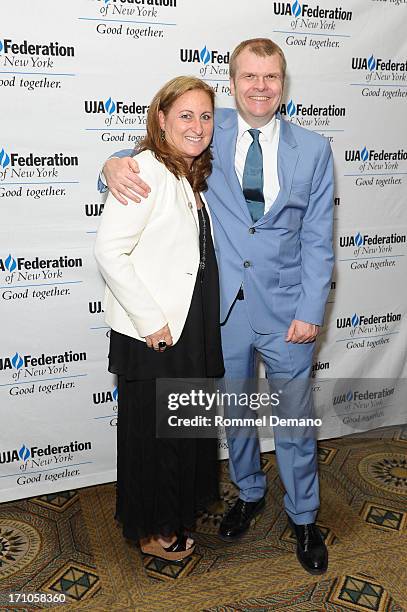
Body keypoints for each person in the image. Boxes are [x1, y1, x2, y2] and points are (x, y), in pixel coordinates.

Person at [99, 38, 334, 574]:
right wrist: (110, 165)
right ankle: (249, 493)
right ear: (232, 81)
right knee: (233, 413)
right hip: (218, 311)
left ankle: (303, 517)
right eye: (249, 76)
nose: (259, 86)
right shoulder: (208, 127)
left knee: (295, 420)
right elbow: (145, 153)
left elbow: (320, 241)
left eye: (270, 77)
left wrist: (311, 310)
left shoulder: (314, 150)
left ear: (283, 82)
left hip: (288, 312)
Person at [94, 76, 224, 562]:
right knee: (155, 437)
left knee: (179, 432)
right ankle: (152, 530)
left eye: (205, 116)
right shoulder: (144, 169)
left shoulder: (187, 174)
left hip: (186, 327)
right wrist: (150, 320)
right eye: (185, 115)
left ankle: (170, 518)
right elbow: (109, 250)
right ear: (162, 120)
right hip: (155, 334)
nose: (197, 125)